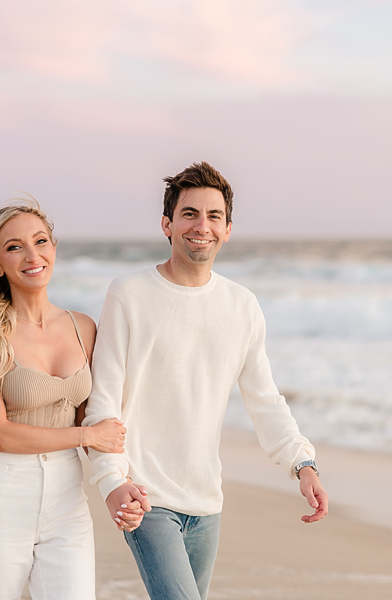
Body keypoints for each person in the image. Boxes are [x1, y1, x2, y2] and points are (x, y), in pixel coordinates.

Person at [83, 162, 329, 600]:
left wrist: (302, 464)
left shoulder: (242, 306)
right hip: (145, 496)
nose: (202, 226)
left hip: (206, 500)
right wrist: (111, 481)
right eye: (190, 213)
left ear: (228, 229)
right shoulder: (129, 294)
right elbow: (104, 400)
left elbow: (264, 398)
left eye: (214, 216)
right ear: (167, 224)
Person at [0, 201, 136, 600]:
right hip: (1, 498)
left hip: (67, 503)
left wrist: (119, 484)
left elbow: (97, 420)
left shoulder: (83, 327)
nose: (33, 255)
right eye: (15, 247)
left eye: (41, 241)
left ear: (54, 248)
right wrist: (86, 439)